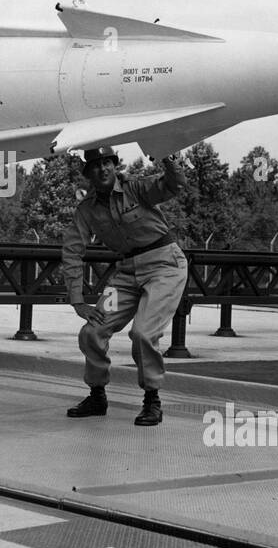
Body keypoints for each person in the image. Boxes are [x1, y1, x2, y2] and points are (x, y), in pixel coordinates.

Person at [60, 146, 187, 426]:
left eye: (107, 163)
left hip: (164, 265)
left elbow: (173, 185)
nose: (103, 169)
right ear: (88, 173)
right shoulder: (87, 210)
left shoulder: (136, 188)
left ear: (114, 166)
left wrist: (166, 152)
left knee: (142, 333)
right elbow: (72, 251)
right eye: (96, 165)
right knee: (92, 332)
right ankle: (97, 396)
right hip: (127, 274)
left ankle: (152, 401)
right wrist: (78, 301)